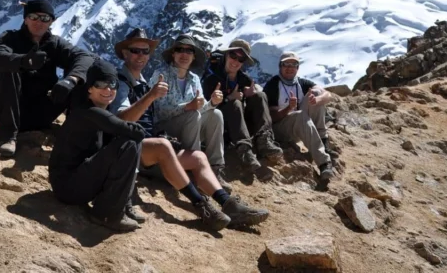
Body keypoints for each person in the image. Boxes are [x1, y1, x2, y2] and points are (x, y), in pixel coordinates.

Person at [109, 30, 269, 229]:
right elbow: (121, 120)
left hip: (156, 145)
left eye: (145, 51)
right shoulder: (122, 81)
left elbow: (193, 110)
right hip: (136, 151)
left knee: (200, 155)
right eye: (135, 51)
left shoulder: (144, 82)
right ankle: (202, 205)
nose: (141, 56)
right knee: (167, 142)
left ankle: (228, 204)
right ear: (125, 53)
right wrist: (158, 99)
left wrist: (212, 103)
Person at [0, 0, 94, 157]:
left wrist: (71, 80)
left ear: (51, 21)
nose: (39, 22)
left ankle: (75, 136)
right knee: (6, 69)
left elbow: (84, 57)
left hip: (42, 112)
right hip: (8, 111)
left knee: (83, 76)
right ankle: (8, 137)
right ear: (25, 19)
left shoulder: (55, 44)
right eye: (34, 17)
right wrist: (22, 61)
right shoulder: (10, 38)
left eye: (45, 18)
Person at [48, 60, 143, 232]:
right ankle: (107, 215)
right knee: (129, 143)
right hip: (67, 188)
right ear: (89, 88)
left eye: (112, 84)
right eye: (100, 84)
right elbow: (130, 130)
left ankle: (123, 204)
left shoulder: (98, 110)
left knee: (127, 142)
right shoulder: (87, 111)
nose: (108, 90)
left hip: (75, 182)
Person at [201, 39, 283, 176]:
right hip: (219, 126)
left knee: (260, 96)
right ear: (226, 55)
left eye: (241, 59)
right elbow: (205, 108)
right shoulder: (212, 77)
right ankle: (244, 150)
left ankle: (264, 140)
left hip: (239, 124)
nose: (235, 61)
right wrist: (228, 99)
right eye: (233, 56)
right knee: (235, 103)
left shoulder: (243, 79)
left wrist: (249, 97)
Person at [263, 51, 336, 183]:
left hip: (299, 125)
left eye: (294, 64)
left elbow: (328, 95)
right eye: (286, 64)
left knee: (316, 93)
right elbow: (272, 117)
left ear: (297, 68)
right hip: (280, 129)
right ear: (280, 66)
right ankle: (324, 163)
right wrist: (288, 109)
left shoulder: (302, 83)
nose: (290, 67)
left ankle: (323, 143)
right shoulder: (273, 85)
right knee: (300, 115)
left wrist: (317, 100)